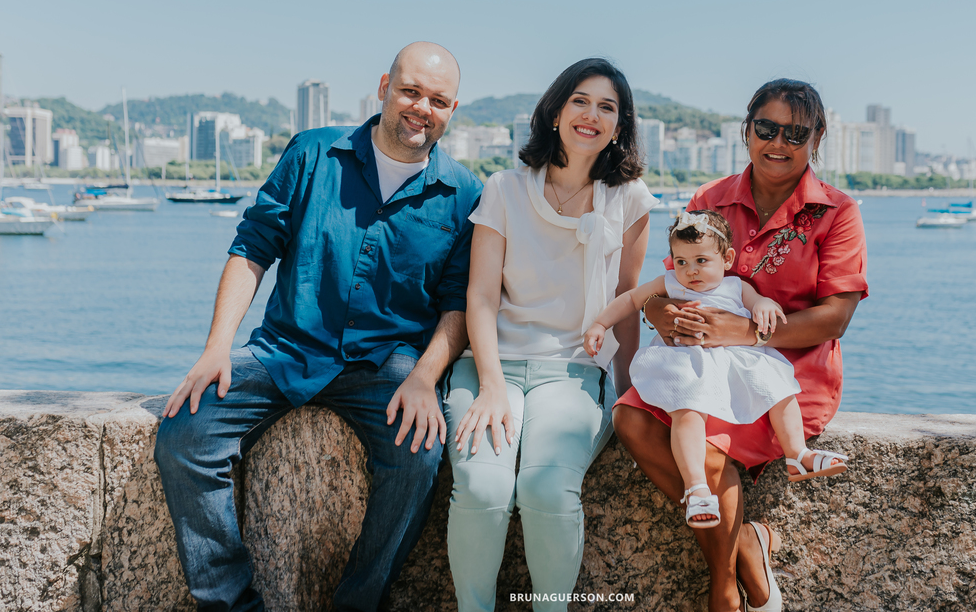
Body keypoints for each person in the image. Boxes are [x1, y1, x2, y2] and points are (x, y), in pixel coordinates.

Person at [154, 42, 482, 612]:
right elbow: (253, 247)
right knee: (185, 434)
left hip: (388, 364)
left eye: (438, 100)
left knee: (419, 456)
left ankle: (359, 604)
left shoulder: (464, 194)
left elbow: (458, 305)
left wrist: (427, 378)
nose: (421, 107)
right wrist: (217, 349)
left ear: (453, 109)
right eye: (410, 91)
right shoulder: (312, 153)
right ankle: (230, 603)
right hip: (285, 349)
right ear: (383, 86)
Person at [613, 79, 868, 612]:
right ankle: (749, 548)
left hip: (784, 380)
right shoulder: (709, 200)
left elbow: (836, 317)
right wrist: (665, 317)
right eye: (766, 128)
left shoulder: (836, 212)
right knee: (629, 419)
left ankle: (724, 589)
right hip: (699, 362)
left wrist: (744, 331)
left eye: (796, 132)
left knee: (705, 453)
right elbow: (668, 286)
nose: (779, 142)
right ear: (746, 129)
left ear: (817, 137)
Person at [445, 57, 656, 612]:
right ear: (556, 111)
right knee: (484, 487)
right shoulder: (505, 188)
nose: (591, 115)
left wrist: (630, 389)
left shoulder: (632, 200)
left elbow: (628, 301)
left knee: (544, 489)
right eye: (580, 101)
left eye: (607, 107)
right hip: (490, 364)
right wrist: (490, 383)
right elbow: (482, 296)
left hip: (575, 372)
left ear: (620, 124)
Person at [584, 209, 848, 530]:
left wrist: (764, 305)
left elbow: (760, 302)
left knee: (778, 385)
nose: (690, 271)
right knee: (688, 411)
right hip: (687, 363)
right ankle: (697, 487)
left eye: (701, 261)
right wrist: (600, 324)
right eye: (681, 261)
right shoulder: (669, 283)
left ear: (726, 258)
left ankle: (798, 455)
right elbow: (630, 299)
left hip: (733, 360)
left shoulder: (736, 286)